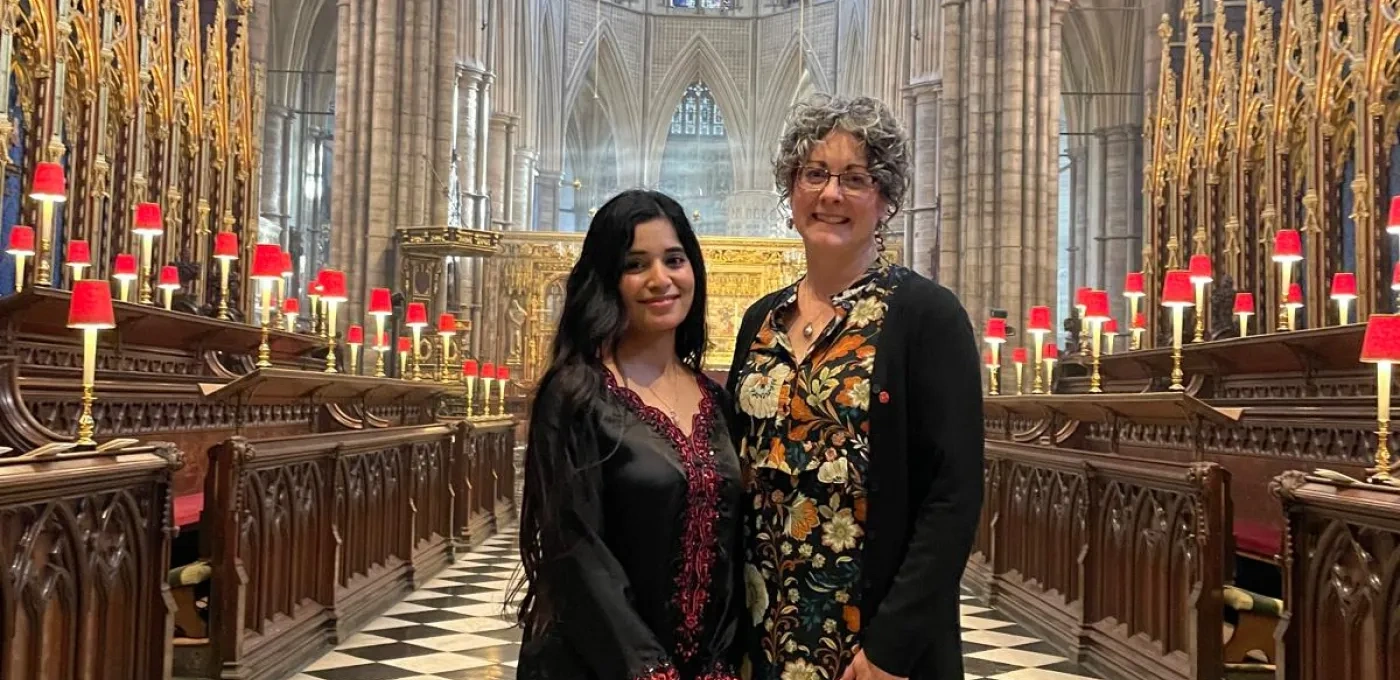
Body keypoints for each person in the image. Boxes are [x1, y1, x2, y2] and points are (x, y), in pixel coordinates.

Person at [726, 95, 984, 680]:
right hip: (763, 629)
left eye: (855, 178)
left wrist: (893, 647)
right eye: (814, 173)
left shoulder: (926, 316)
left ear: (886, 199)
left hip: (870, 643)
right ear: (791, 193)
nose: (831, 194)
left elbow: (953, 495)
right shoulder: (760, 321)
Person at [516, 189, 744, 680]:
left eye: (674, 259)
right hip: (601, 665)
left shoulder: (716, 399)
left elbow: (731, 547)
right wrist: (649, 670)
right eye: (636, 264)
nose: (660, 279)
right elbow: (576, 550)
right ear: (608, 280)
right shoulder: (577, 394)